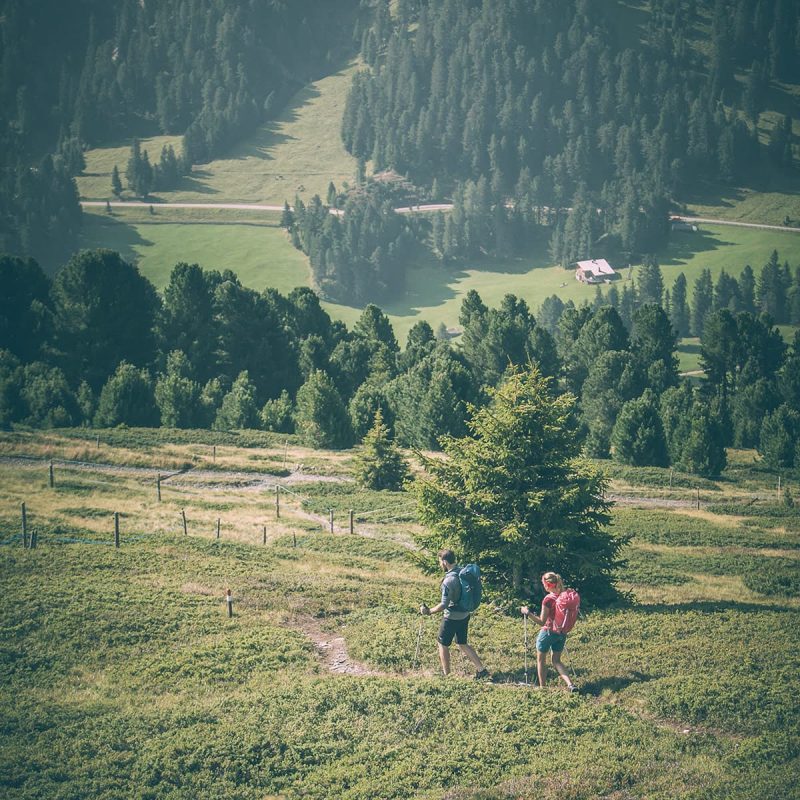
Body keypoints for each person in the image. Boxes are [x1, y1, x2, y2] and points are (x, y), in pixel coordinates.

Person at [420, 549, 489, 680]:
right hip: (465, 614)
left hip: (451, 617)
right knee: (462, 643)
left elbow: (444, 604)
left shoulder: (448, 580)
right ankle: (482, 670)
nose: (440, 564)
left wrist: (429, 611)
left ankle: (447, 676)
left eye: (440, 562)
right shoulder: (462, 572)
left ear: (445, 562)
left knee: (442, 644)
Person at [521, 572, 577, 691]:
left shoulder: (548, 599)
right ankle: (570, 684)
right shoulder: (564, 596)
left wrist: (528, 612)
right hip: (562, 633)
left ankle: (543, 688)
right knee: (556, 661)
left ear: (548, 585)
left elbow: (542, 621)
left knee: (541, 660)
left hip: (548, 633)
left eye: (543, 584)